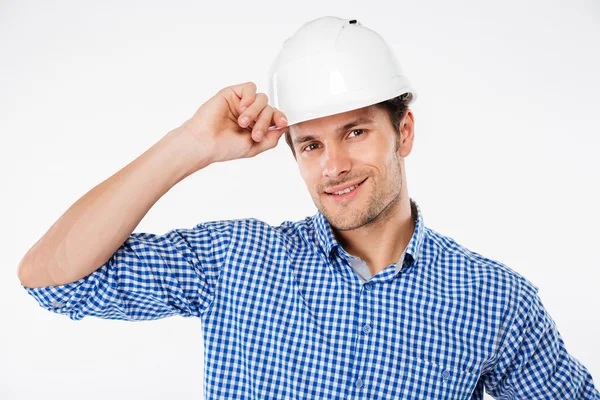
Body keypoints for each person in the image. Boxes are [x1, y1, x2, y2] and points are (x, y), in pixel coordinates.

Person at [17, 16, 598, 400]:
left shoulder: (494, 300)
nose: (333, 166)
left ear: (404, 133)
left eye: (356, 132)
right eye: (312, 144)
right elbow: (50, 279)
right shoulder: (237, 261)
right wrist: (188, 146)